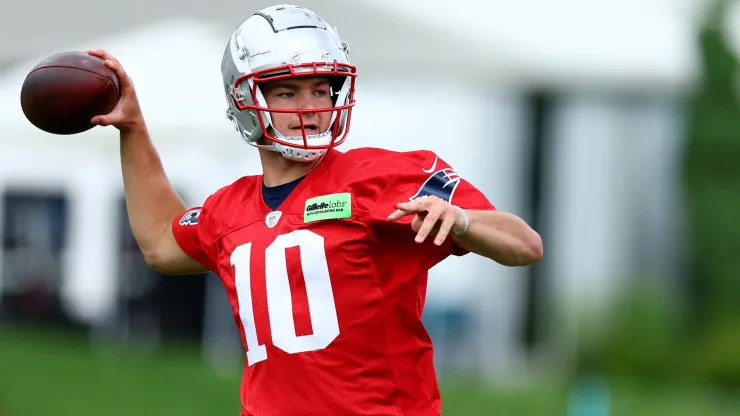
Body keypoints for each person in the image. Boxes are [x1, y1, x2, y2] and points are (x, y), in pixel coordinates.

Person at [88, 4, 543, 415]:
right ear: (247, 100)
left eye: (321, 89)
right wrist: (132, 128)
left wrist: (464, 221)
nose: (310, 108)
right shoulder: (230, 209)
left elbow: (524, 244)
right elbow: (162, 242)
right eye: (287, 93)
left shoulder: (382, 177)